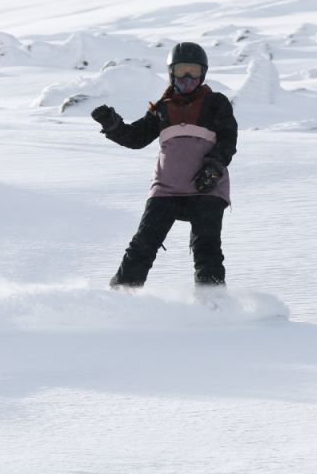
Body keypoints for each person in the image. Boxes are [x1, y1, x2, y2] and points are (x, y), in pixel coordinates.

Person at [91, 42, 238, 289]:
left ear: (203, 72)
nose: (188, 77)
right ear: (172, 73)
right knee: (144, 242)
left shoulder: (216, 102)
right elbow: (136, 138)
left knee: (206, 243)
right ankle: (121, 294)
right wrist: (112, 125)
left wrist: (213, 168)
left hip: (206, 187)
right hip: (167, 189)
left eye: (194, 71)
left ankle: (212, 301)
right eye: (182, 71)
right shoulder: (162, 108)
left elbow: (227, 138)